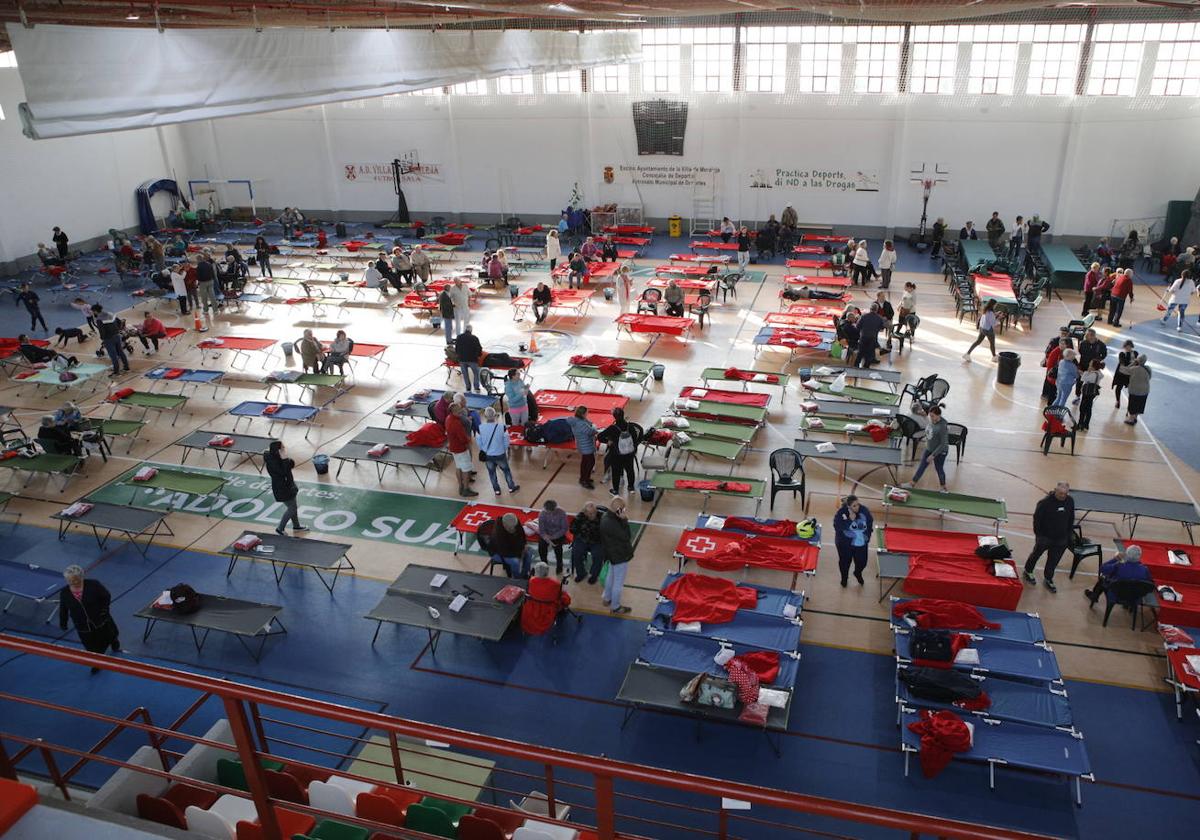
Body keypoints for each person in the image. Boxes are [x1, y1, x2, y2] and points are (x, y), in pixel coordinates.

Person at [58, 566, 119, 673]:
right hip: (81, 624)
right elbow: (63, 608)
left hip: (100, 618)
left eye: (76, 579)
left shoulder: (94, 585)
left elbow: (106, 596)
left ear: (82, 577)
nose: (74, 582)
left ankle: (113, 641)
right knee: (89, 645)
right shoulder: (64, 593)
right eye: (70, 580)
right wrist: (63, 622)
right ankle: (96, 663)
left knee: (108, 634)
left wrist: (104, 610)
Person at [1023, 482, 1074, 592]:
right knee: (1036, 554)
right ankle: (1028, 571)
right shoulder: (1045, 502)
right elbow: (1037, 519)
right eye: (1060, 493)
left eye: (1065, 493)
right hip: (1045, 538)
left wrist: (1068, 535)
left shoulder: (1070, 501)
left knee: (1053, 560)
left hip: (1061, 539)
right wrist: (1039, 535)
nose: (1062, 496)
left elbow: (1071, 518)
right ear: (1055, 490)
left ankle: (1048, 578)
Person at [1083, 544, 1152, 606]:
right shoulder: (1144, 569)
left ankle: (1094, 596)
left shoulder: (1119, 566)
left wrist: (1115, 559)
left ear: (1127, 555)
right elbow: (1149, 583)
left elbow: (1102, 568)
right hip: (1134, 597)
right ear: (1139, 556)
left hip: (1117, 595)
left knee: (1102, 578)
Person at [902, 406, 950, 493]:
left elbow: (943, 444)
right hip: (929, 449)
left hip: (940, 452)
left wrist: (933, 455)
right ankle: (912, 484)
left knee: (939, 468)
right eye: (930, 416)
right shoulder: (932, 421)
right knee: (922, 466)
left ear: (938, 415)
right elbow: (928, 432)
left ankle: (943, 487)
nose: (931, 418)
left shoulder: (942, 427)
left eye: (933, 416)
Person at [599, 497, 634, 614]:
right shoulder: (613, 523)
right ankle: (615, 606)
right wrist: (624, 520)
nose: (624, 511)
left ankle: (606, 598)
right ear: (619, 510)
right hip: (619, 555)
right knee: (618, 582)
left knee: (611, 576)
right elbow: (626, 536)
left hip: (611, 554)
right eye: (623, 509)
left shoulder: (606, 517)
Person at [264, 441, 306, 536]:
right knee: (292, 508)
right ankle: (280, 528)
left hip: (289, 485)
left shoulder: (277, 458)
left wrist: (287, 460)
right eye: (282, 448)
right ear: (277, 450)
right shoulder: (273, 462)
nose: (284, 450)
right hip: (282, 488)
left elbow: (289, 465)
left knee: (293, 506)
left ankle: (296, 526)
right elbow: (283, 471)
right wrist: (285, 459)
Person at [520, 562, 572, 635]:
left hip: (534, 608)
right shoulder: (555, 584)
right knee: (565, 598)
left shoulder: (531, 581)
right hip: (549, 610)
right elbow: (563, 598)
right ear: (547, 571)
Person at [476, 406, 519, 496]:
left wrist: (484, 450)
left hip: (488, 455)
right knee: (506, 471)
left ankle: (497, 490)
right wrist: (502, 449)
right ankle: (511, 487)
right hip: (500, 454)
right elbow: (507, 441)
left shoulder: (480, 428)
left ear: (485, 416)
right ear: (495, 416)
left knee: (492, 473)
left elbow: (479, 442)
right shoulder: (502, 427)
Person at [598, 407, 640, 495]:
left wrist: (608, 441)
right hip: (629, 453)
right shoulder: (630, 426)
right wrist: (633, 450)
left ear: (614, 417)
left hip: (616, 454)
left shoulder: (612, 428)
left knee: (616, 472)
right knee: (630, 470)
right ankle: (631, 487)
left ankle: (616, 490)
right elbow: (636, 440)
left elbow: (600, 436)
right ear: (623, 415)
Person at [833, 495, 873, 587]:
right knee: (844, 563)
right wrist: (850, 520)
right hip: (845, 544)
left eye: (858, 504)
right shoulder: (841, 513)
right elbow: (838, 527)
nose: (857, 507)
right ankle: (844, 578)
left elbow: (869, 523)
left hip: (861, 544)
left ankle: (857, 572)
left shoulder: (864, 511)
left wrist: (867, 537)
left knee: (862, 562)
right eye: (854, 506)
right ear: (848, 507)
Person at [446, 403, 477, 497]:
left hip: (453, 448)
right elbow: (463, 438)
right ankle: (466, 489)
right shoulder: (456, 423)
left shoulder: (448, 419)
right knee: (466, 469)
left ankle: (461, 486)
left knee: (458, 467)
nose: (460, 412)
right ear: (454, 411)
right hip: (461, 449)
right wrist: (469, 442)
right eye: (459, 410)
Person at [570, 502, 605, 583]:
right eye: (590, 513)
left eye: (594, 512)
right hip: (583, 540)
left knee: (598, 555)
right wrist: (581, 533)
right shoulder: (580, 517)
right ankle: (581, 573)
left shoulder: (602, 517)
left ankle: (594, 575)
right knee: (576, 553)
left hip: (597, 541)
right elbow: (572, 529)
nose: (593, 515)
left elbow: (608, 530)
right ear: (585, 512)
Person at [490, 513, 533, 578]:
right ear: (504, 525)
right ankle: (517, 578)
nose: (513, 529)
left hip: (513, 549)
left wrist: (524, 545)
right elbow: (504, 552)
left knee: (529, 551)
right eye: (510, 528)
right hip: (499, 553)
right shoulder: (498, 534)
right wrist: (520, 553)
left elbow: (522, 535)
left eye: (514, 527)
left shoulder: (515, 523)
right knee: (515, 561)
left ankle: (524, 575)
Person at [567, 405, 598, 489]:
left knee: (585, 462)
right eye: (587, 412)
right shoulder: (581, 424)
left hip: (582, 444)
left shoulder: (577, 420)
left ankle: (583, 478)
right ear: (583, 414)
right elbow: (591, 432)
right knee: (590, 462)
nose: (587, 414)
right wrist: (596, 430)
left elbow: (588, 423)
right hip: (586, 446)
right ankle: (585, 480)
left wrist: (591, 424)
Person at [93, 307, 130, 375]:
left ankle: (116, 372)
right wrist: (117, 330)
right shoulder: (110, 314)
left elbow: (101, 330)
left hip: (108, 339)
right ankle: (126, 367)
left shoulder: (99, 319)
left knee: (113, 355)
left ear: (95, 311)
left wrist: (103, 338)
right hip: (117, 336)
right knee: (121, 352)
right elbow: (120, 322)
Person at [535, 500, 568, 575]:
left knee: (558, 549)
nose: (549, 514)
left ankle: (559, 565)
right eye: (547, 512)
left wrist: (553, 537)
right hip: (546, 535)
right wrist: (547, 538)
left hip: (557, 534)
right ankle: (544, 565)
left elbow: (564, 529)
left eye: (551, 512)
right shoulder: (542, 514)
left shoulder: (562, 513)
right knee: (541, 547)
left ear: (555, 509)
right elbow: (541, 530)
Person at [1075, 329, 1107, 401]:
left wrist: (1097, 361)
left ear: (1094, 336)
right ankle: (1077, 395)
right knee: (1079, 381)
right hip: (1083, 365)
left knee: (1091, 382)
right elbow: (1079, 353)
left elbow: (1104, 354)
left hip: (1093, 367)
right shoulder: (1083, 343)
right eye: (1088, 335)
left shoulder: (1101, 345)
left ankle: (1089, 395)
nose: (1089, 337)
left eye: (1091, 335)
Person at [1120, 353, 1151, 425]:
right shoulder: (1148, 369)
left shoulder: (1134, 369)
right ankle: (1135, 418)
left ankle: (1131, 419)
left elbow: (1123, 370)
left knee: (1132, 405)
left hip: (1134, 390)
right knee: (1140, 405)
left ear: (1138, 361)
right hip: (1145, 390)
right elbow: (1149, 377)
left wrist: (1133, 363)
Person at [1077, 359, 1104, 431]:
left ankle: (1080, 425)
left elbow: (1083, 379)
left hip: (1087, 393)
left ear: (1093, 366)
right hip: (1092, 393)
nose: (1089, 364)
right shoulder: (1098, 373)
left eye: (1090, 364)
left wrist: (1085, 372)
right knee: (1089, 409)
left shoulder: (1092, 374)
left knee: (1082, 409)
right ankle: (1086, 425)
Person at [855, 303, 885, 369]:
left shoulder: (864, 316)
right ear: (877, 310)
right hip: (872, 338)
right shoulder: (880, 318)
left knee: (860, 352)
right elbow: (882, 329)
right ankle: (866, 367)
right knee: (869, 354)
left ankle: (856, 366)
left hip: (863, 337)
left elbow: (858, 327)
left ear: (870, 309)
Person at [455, 325, 483, 393]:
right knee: (476, 373)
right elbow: (479, 348)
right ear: (471, 330)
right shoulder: (474, 338)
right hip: (472, 359)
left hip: (462, 359)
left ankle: (468, 388)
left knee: (465, 375)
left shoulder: (459, 337)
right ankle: (476, 387)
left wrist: (459, 356)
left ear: (465, 330)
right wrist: (478, 355)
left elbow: (456, 348)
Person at [1112, 339, 1136, 409]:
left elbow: (1137, 363)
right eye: (1126, 346)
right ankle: (1118, 401)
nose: (1128, 348)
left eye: (1129, 346)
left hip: (1130, 375)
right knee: (1118, 388)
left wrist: (1132, 362)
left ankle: (1130, 404)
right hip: (1121, 374)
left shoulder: (1135, 353)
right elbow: (1124, 363)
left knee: (1131, 390)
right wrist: (1132, 362)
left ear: (1131, 346)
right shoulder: (1122, 354)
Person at [195, 253, 219, 317]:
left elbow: (197, 276)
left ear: (198, 259)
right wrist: (213, 279)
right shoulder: (209, 264)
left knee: (204, 297)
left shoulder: (198, 266)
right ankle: (215, 310)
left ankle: (206, 310)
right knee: (212, 296)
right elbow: (213, 273)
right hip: (211, 281)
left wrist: (198, 282)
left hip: (203, 283)